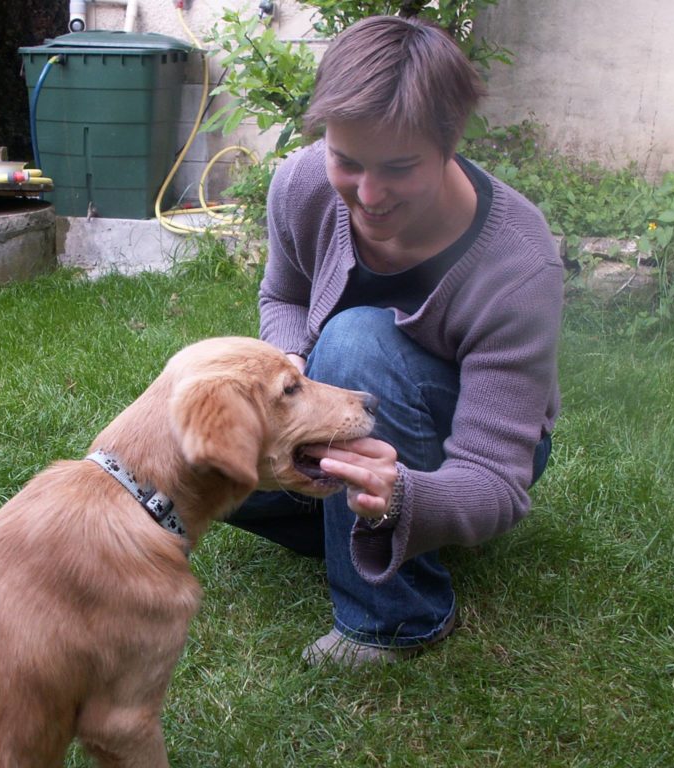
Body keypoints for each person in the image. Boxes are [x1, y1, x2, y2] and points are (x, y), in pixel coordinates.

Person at [226, 14, 564, 667]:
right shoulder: (301, 184)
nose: (369, 195)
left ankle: (395, 618)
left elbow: (496, 477)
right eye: (346, 161)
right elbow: (286, 296)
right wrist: (289, 358)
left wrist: (405, 496)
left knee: (354, 342)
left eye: (399, 167)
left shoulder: (519, 265)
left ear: (449, 144)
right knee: (215, 451)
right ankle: (358, 521)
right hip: (355, 424)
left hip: (477, 451)